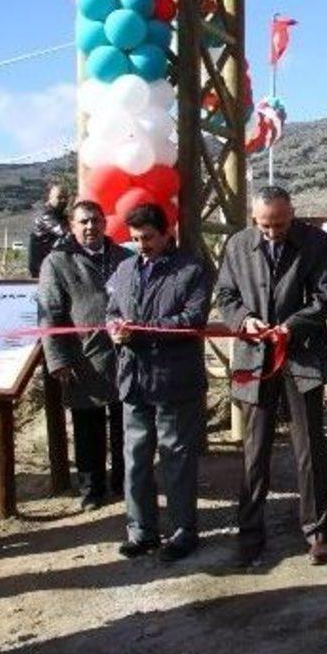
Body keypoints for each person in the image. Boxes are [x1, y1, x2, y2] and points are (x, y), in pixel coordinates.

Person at [215, 186, 327, 567]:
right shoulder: (237, 245)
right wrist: (244, 321)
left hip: (302, 358)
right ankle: (250, 531)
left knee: (309, 448)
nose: (272, 233)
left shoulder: (317, 243)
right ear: (254, 219)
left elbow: (324, 297)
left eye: (280, 225)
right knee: (254, 450)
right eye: (265, 226)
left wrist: (292, 326)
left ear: (292, 213)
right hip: (253, 360)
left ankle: (317, 530)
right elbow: (225, 296)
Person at [107, 203, 212, 563]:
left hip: (174, 381)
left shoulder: (191, 269)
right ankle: (141, 531)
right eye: (135, 239)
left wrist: (141, 329)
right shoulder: (124, 269)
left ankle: (183, 532)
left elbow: (193, 318)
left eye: (148, 238)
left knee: (176, 460)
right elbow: (112, 311)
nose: (142, 245)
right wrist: (115, 329)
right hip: (133, 380)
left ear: (167, 233)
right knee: (135, 460)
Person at [38, 200, 132, 510]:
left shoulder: (125, 257)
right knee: (87, 427)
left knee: (125, 425)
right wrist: (58, 360)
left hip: (125, 355)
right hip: (83, 358)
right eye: (83, 221)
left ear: (105, 223)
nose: (90, 226)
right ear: (72, 225)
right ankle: (92, 490)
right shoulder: (57, 262)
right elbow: (50, 314)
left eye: (95, 220)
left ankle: (125, 483)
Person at [28, 182, 70, 278]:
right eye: (59, 197)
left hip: (55, 265)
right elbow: (64, 232)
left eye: (65, 197)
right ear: (49, 197)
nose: (63, 200)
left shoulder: (60, 214)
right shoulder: (44, 214)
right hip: (42, 268)